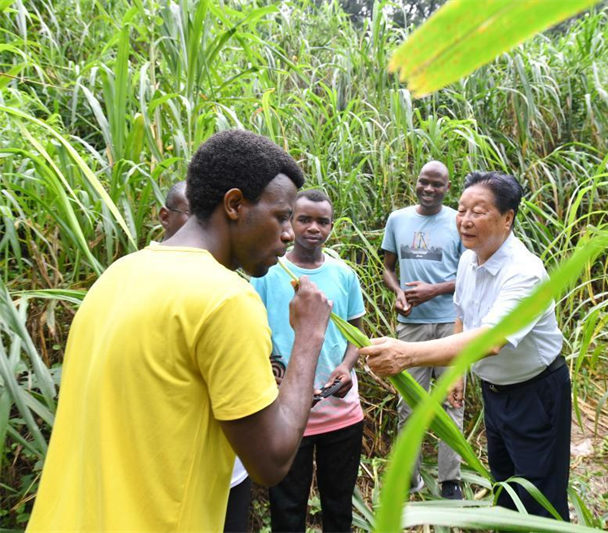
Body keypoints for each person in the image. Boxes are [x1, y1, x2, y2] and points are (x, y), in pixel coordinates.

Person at [27, 129, 332, 532]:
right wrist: (309, 336)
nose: (289, 234)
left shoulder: (118, 275)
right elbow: (271, 462)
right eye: (281, 216)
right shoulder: (226, 300)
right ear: (235, 205)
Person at [361, 171, 571, 520]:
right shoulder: (468, 260)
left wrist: (406, 354)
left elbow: (491, 340)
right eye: (461, 210)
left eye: (478, 211)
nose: (465, 220)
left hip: (536, 394)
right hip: (495, 391)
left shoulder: (525, 272)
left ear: (507, 218)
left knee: (540, 492)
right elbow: (462, 312)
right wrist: (457, 371)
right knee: (505, 484)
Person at [251, 189, 365, 532]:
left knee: (339, 506)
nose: (314, 228)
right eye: (304, 219)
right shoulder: (267, 274)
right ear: (290, 222)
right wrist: (273, 372)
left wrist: (346, 367)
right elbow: (252, 334)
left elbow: (357, 335)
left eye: (322, 221)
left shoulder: (344, 275)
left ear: (331, 226)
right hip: (285, 414)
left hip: (341, 413)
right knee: (286, 509)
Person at [380, 160, 465, 499]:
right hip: (411, 327)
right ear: (416, 182)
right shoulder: (398, 219)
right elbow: (387, 268)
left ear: (447, 188)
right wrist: (398, 292)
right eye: (423, 182)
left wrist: (435, 290)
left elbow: (470, 275)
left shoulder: (458, 221)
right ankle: (408, 477)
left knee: (452, 401)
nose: (429, 189)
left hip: (450, 325)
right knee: (409, 405)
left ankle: (450, 480)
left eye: (437, 184)